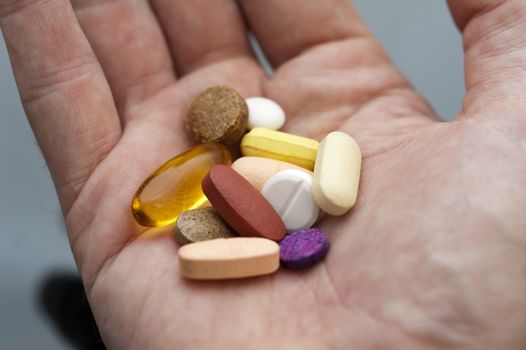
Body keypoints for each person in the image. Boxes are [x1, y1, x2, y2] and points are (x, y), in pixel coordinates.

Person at [2, 0, 526, 348]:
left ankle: (75, 314)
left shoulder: (274, 180)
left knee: (85, 299)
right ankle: (76, 312)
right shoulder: (242, 163)